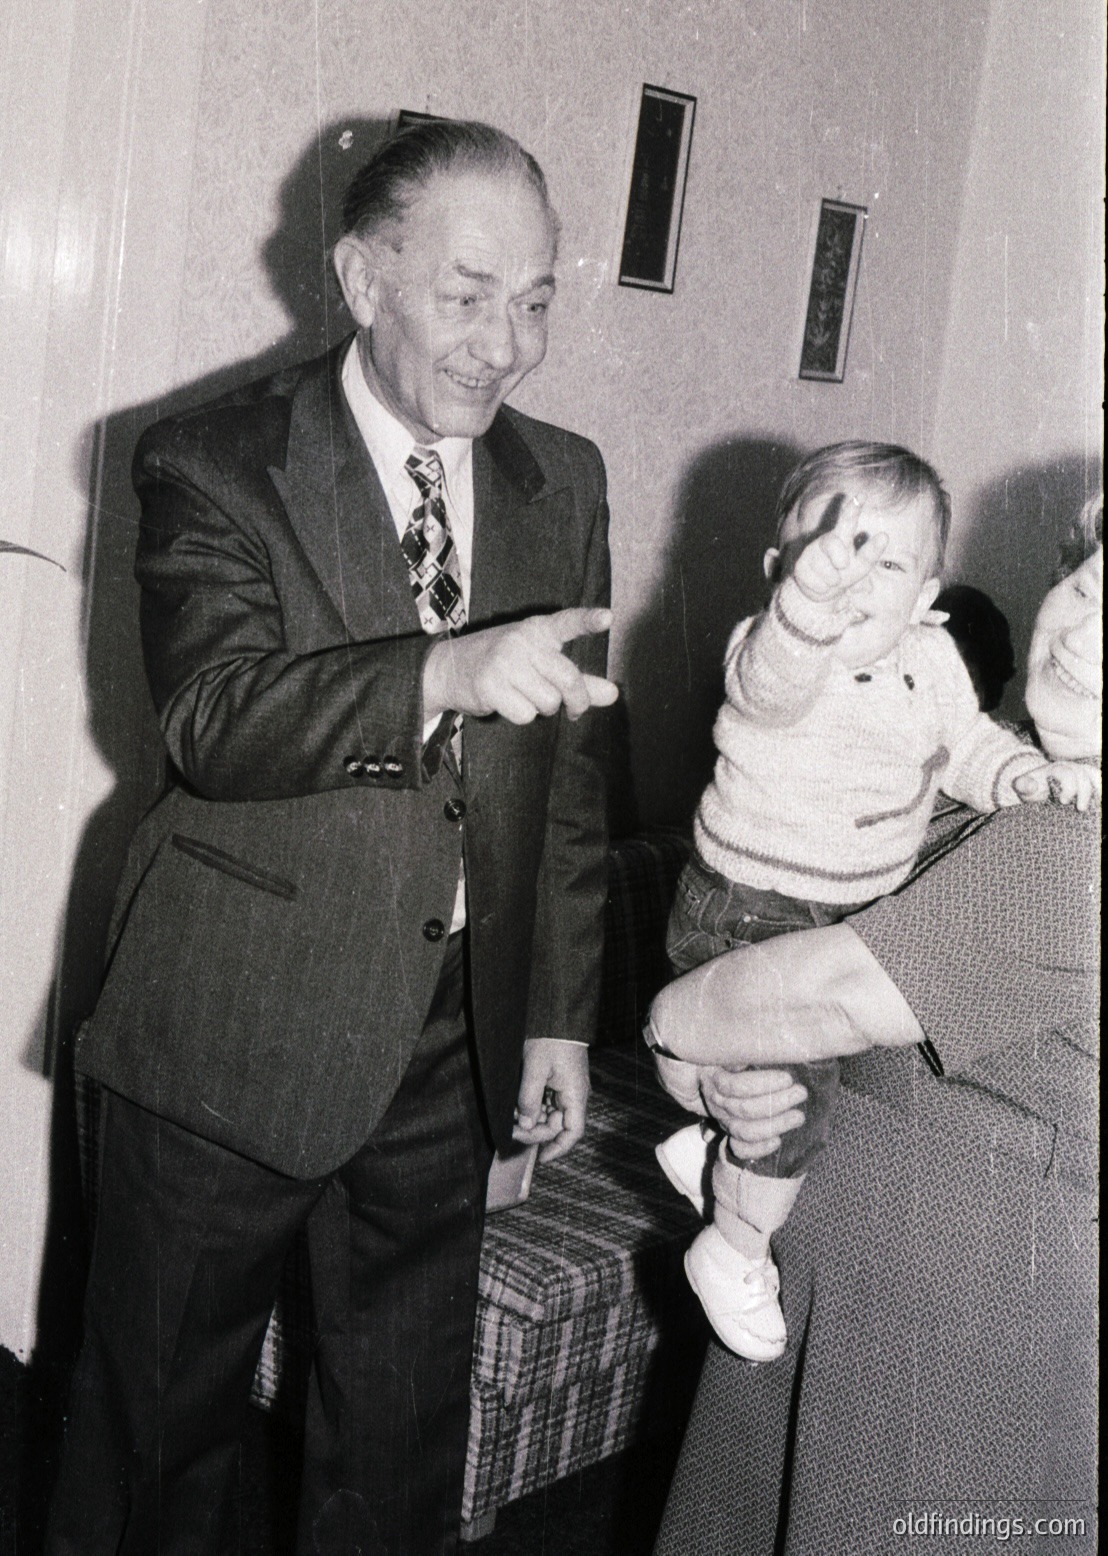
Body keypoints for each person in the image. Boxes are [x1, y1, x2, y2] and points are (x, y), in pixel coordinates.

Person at [46, 120, 616, 1556]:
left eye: (535, 300)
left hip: (447, 1039)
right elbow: (211, 718)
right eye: (467, 297)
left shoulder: (566, 479)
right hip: (229, 1028)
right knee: (154, 1439)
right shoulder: (215, 459)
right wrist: (439, 672)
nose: (506, 346)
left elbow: (567, 780)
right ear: (363, 280)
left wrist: (554, 1014)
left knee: (397, 1448)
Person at [650, 495, 1101, 1555]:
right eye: (1087, 588)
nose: (1083, 635)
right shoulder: (1009, 773)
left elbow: (829, 992)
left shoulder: (1076, 850)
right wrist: (724, 1076)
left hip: (949, 1332)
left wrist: (673, 1024)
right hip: (859, 1283)